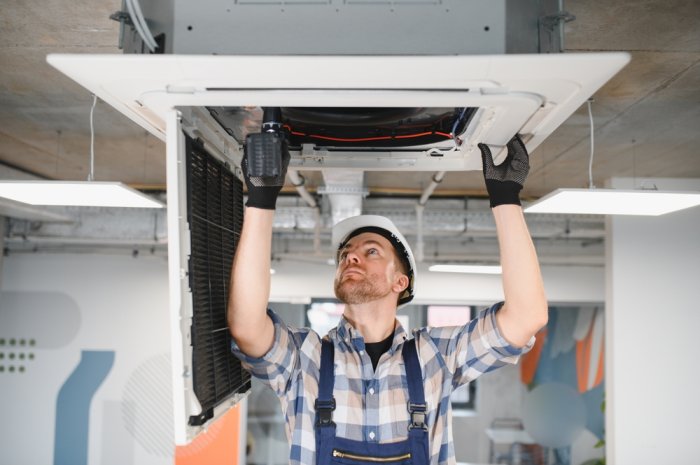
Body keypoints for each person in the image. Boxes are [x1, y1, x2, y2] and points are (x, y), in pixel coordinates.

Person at [228, 135, 548, 465]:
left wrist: (506, 198)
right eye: (346, 254)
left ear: (401, 281)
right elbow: (247, 326)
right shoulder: (305, 358)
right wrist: (261, 199)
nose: (351, 258)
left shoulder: (434, 357)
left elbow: (526, 316)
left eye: (371, 251)